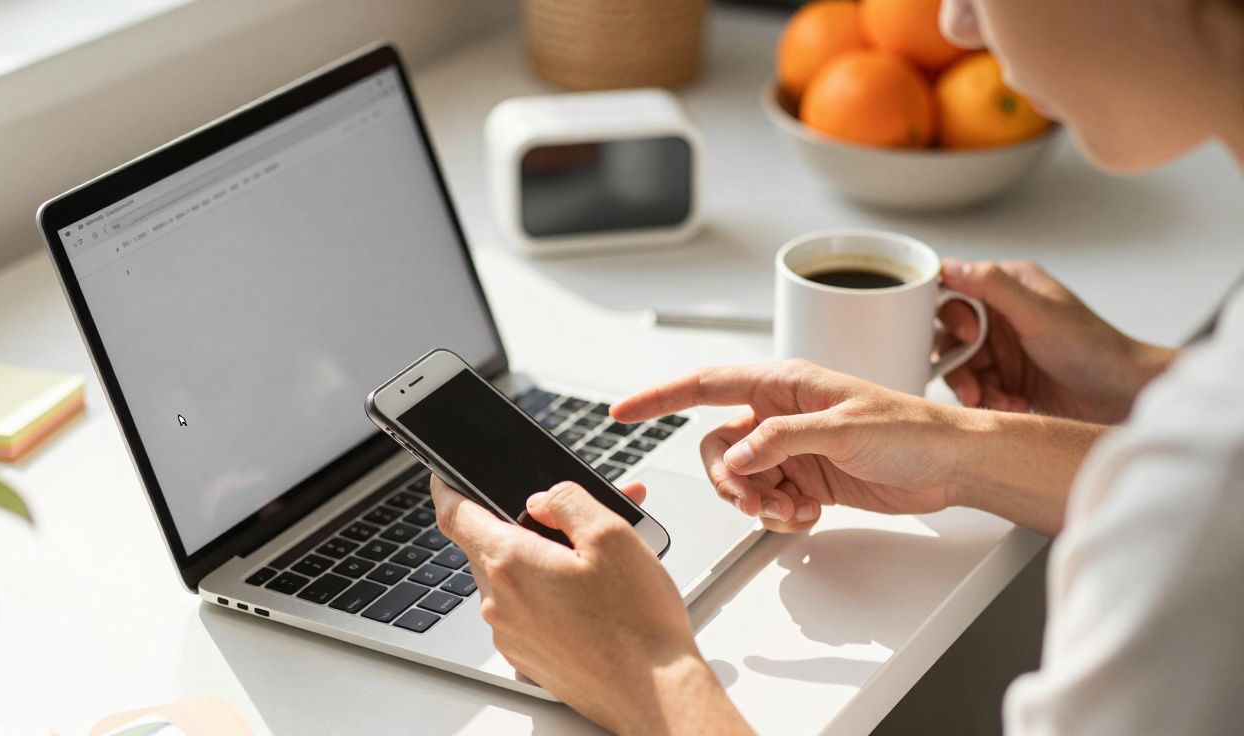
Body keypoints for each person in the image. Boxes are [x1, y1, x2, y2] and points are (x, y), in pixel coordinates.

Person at [432, 0, 1244, 732]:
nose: (958, 27)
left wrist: (648, 677)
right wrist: (960, 445)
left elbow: (1209, 486)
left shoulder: (1197, 493)